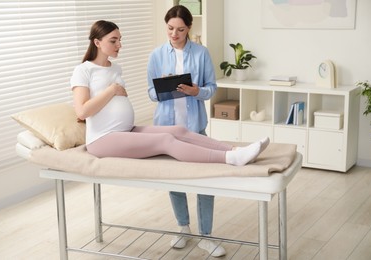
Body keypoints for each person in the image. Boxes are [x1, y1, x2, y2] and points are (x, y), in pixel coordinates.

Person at [71, 20, 269, 257]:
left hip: (126, 130)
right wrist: (111, 91)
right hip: (103, 139)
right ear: (97, 42)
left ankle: (235, 149)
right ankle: (230, 158)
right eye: (114, 40)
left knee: (177, 131)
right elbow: (82, 111)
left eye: (120, 39)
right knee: (166, 142)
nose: (119, 44)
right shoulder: (83, 70)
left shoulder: (116, 69)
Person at [146, 5, 262, 257]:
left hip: (195, 128)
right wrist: (164, 87)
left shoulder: (200, 53)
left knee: (205, 183)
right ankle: (183, 228)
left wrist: (197, 91)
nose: (174, 34)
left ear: (189, 29)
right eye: (169, 29)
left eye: (180, 29)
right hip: (166, 131)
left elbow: (212, 88)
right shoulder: (156, 55)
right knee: (174, 182)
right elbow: (151, 93)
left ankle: (206, 236)